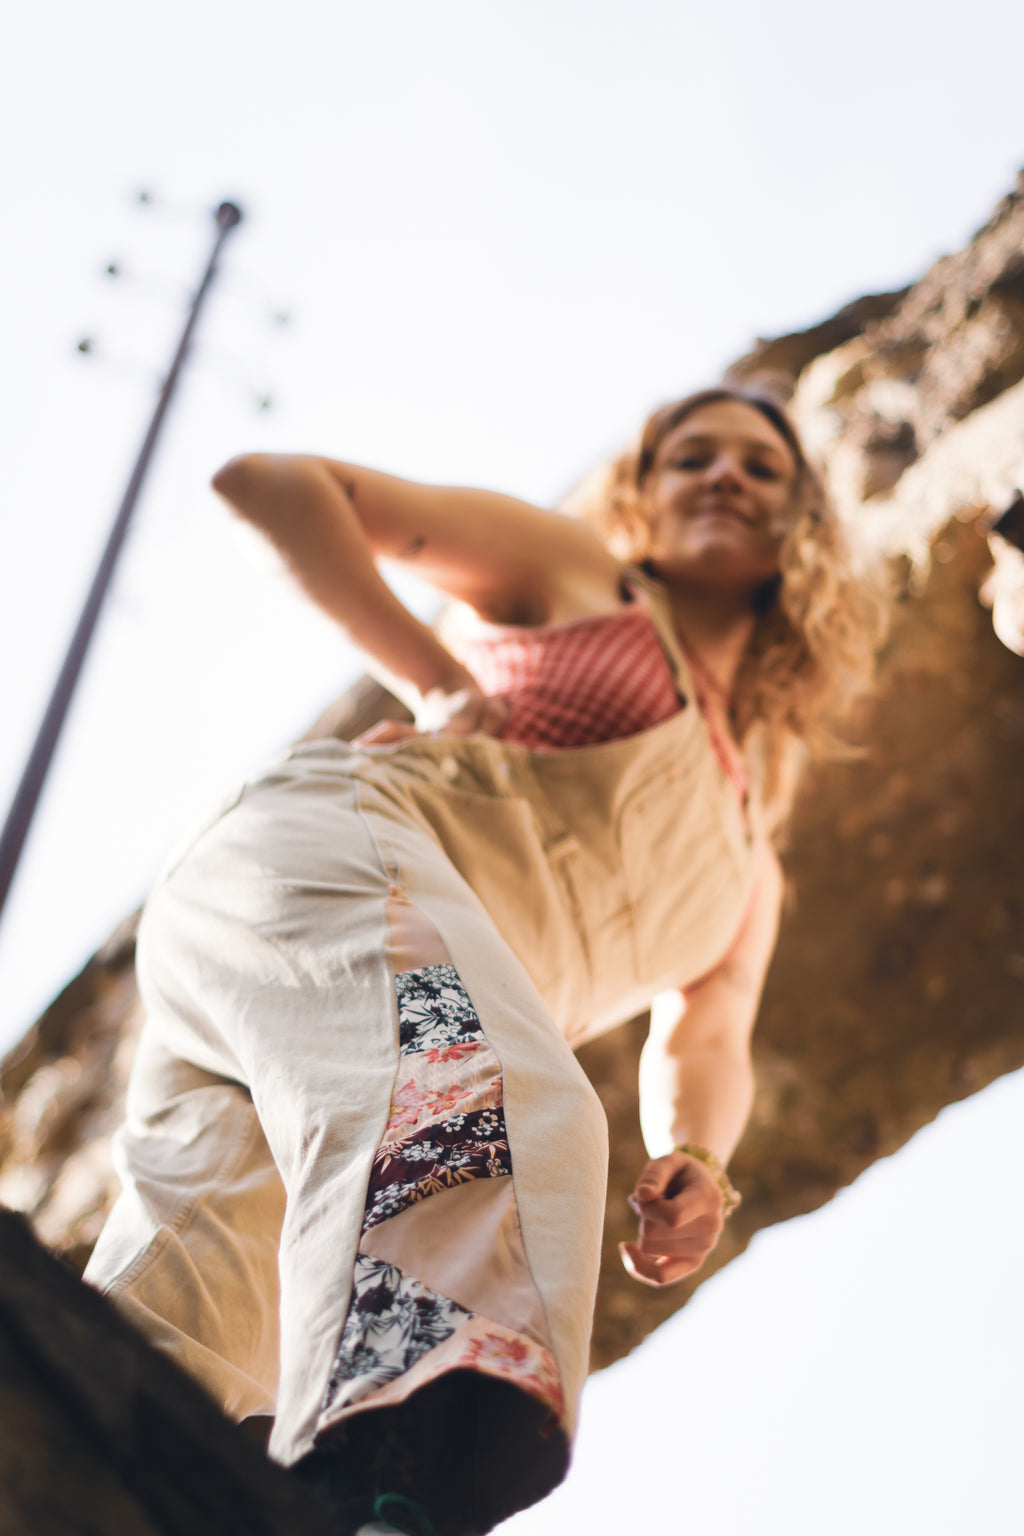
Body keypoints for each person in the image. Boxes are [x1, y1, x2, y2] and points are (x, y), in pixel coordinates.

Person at [85, 387, 876, 1536]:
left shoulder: (748, 860)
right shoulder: (577, 578)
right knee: (496, 1111)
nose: (724, 477)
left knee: (200, 1292)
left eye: (760, 467)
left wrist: (699, 1153)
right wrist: (437, 674)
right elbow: (270, 487)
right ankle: (387, 1487)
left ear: (798, 519)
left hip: (340, 1021)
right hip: (331, 868)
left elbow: (706, 1032)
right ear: (640, 498)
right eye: (689, 456)